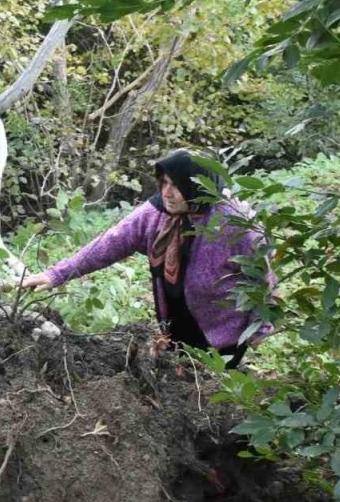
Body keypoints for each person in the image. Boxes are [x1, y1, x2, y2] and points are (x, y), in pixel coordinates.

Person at [21, 149, 275, 368]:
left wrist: (260, 325)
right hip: (176, 320)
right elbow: (110, 243)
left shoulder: (232, 224)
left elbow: (263, 276)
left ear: (197, 185)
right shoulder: (155, 214)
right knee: (182, 380)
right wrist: (57, 274)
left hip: (223, 331)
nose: (167, 192)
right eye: (163, 183)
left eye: (177, 185)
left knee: (215, 391)